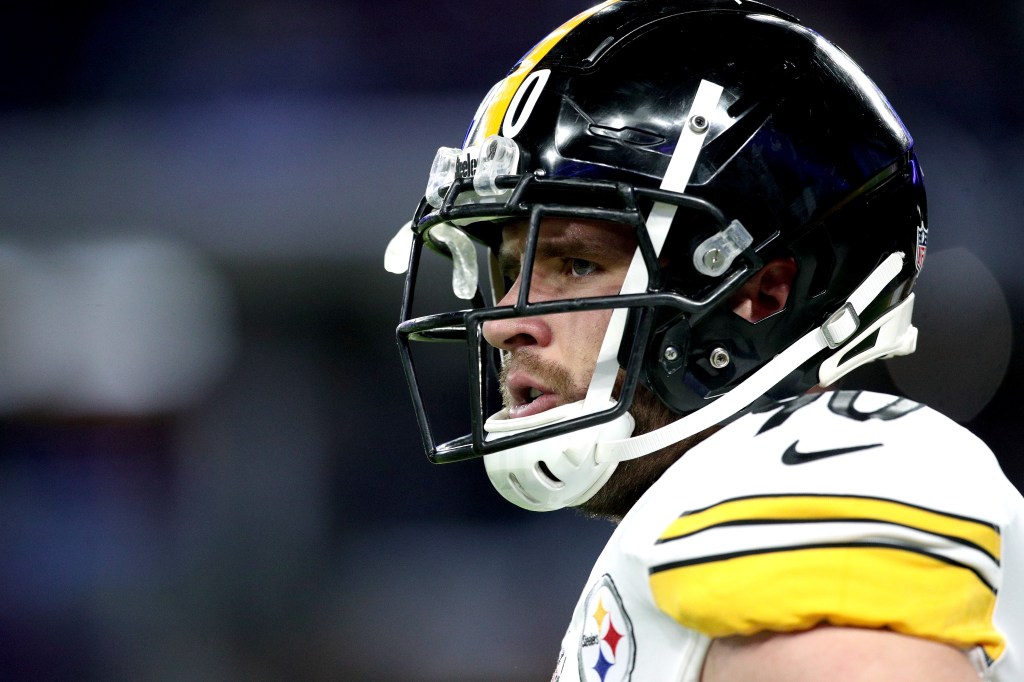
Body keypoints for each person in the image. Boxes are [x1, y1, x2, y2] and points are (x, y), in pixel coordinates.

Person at [384, 1, 1024, 679]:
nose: (501, 321)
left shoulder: (815, 479)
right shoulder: (693, 511)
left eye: (576, 264)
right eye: (510, 270)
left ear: (761, 296)